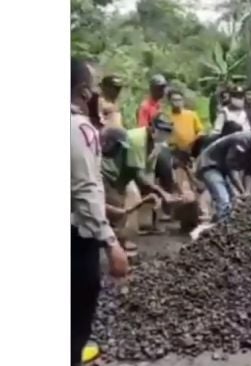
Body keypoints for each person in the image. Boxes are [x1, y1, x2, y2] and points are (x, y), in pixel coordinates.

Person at [71, 57, 129, 366]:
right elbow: (85, 190)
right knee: (75, 326)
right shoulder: (81, 129)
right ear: (83, 92)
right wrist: (111, 242)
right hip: (75, 239)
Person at [196, 107, 251, 221]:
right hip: (210, 164)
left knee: (234, 200)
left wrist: (247, 192)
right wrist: (242, 191)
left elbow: (249, 171)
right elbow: (232, 169)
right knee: (223, 198)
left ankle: (221, 220)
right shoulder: (243, 140)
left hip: (223, 167)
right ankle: (222, 229)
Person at [167, 89, 204, 163]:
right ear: (170, 102)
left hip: (192, 150)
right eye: (174, 100)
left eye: (179, 100)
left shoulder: (192, 114)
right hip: (174, 152)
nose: (177, 102)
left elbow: (200, 131)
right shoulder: (167, 118)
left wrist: (194, 143)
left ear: (183, 101)